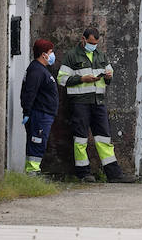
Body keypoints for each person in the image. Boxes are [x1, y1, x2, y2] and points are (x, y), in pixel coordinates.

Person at [57, 26, 136, 183]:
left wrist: (108, 76)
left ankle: (114, 174)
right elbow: (62, 79)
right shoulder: (72, 56)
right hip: (80, 103)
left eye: (96, 43)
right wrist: (82, 79)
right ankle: (84, 174)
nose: (94, 46)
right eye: (91, 42)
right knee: (80, 139)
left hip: (98, 102)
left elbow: (109, 78)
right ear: (83, 39)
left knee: (104, 138)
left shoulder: (101, 55)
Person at [19, 38, 58, 175]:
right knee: (36, 142)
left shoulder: (40, 69)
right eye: (50, 52)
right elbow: (30, 92)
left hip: (44, 114)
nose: (52, 55)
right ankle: (32, 173)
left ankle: (33, 171)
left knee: (39, 142)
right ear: (44, 54)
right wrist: (27, 112)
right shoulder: (36, 70)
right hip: (39, 114)